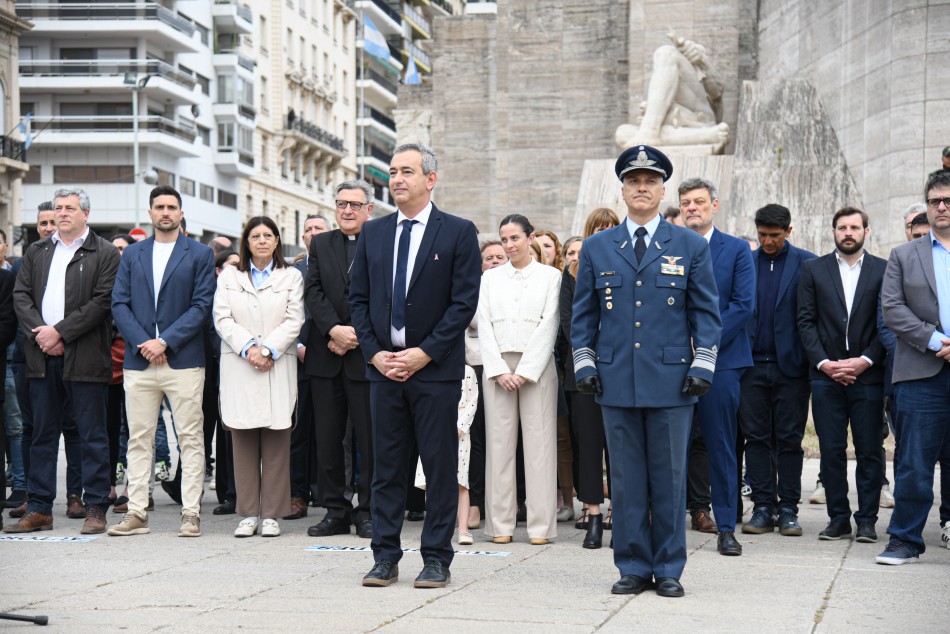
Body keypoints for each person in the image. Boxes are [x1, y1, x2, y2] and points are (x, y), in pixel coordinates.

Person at [571, 145, 721, 597]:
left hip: (673, 382)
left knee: (669, 479)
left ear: (662, 190)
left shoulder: (689, 245)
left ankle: (669, 567)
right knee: (626, 481)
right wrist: (585, 363)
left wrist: (703, 364)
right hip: (615, 380)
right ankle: (633, 565)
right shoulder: (598, 247)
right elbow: (583, 316)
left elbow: (706, 314)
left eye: (650, 181)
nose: (642, 187)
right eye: (634, 181)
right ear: (622, 190)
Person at [349, 143, 480, 589]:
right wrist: (374, 353)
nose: (397, 179)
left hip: (435, 372)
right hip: (384, 370)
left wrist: (425, 352)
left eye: (407, 171)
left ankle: (436, 558)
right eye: (392, 171)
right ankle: (384, 556)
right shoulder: (374, 232)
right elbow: (358, 300)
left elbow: (463, 303)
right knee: (386, 468)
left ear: (430, 178)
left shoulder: (457, 232)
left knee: (439, 468)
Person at [5, 187, 121, 535]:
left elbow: (102, 302)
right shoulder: (38, 250)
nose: (62, 213)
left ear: (86, 213)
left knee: (91, 435)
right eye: (58, 208)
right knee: (42, 434)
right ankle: (40, 508)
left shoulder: (104, 252)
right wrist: (42, 335)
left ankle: (95, 506)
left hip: (85, 357)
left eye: (70, 207)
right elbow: (21, 296)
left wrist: (60, 333)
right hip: (41, 356)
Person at [107, 186, 215, 538]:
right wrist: (144, 343)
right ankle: (136, 512)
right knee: (138, 439)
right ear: (150, 213)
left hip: (183, 361)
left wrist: (165, 341)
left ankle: (191, 513)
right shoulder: (132, 254)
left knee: (190, 438)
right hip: (140, 362)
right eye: (159, 207)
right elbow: (119, 304)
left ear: (181, 213)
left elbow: (202, 305)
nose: (165, 212)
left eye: (171, 207)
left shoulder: (199, 253)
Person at [797, 207, 886, 543]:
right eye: (842, 228)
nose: (848, 233)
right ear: (833, 231)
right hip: (826, 377)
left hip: (869, 376)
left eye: (854, 227)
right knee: (831, 450)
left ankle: (867, 521)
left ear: (866, 231)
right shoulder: (813, 269)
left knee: (869, 450)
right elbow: (805, 321)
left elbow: (888, 321)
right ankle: (838, 519)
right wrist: (825, 363)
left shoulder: (884, 269)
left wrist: (865, 360)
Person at [214, 217, 304, 538]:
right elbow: (222, 317)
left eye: (268, 235)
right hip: (241, 364)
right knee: (243, 441)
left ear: (277, 241)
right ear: (247, 242)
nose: (262, 240)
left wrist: (267, 350)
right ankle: (249, 513)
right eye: (256, 236)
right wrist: (249, 348)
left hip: (276, 364)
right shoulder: (230, 276)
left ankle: (272, 514)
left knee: (277, 440)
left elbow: (294, 319)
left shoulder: (291, 276)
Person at [877, 170, 950, 564]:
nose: (942, 207)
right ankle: (904, 539)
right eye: (935, 201)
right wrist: (936, 341)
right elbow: (893, 309)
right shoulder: (904, 256)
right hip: (921, 373)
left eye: (948, 200)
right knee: (914, 463)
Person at [680, 177, 755, 556]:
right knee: (669, 445)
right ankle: (665, 522)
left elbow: (743, 305)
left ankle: (726, 526)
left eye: (698, 201)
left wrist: (704, 341)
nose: (692, 208)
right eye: (686, 203)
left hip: (722, 363)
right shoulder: (669, 247)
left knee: (721, 445)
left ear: (714, 205)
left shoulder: (736, 249)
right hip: (672, 361)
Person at [479, 214, 561, 545]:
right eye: (504, 239)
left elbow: (550, 322)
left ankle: (541, 526)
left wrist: (526, 370)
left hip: (536, 367)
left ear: (530, 238)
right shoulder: (490, 278)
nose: (510, 245)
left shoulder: (551, 276)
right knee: (498, 446)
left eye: (515, 238)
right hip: (497, 366)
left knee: (540, 446)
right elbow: (484, 324)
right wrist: (499, 369)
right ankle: (500, 524)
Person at [740, 204, 816, 537]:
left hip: (791, 369)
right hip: (751, 367)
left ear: (789, 231)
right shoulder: (746, 262)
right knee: (756, 439)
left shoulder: (808, 264)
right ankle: (761, 507)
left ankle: (788, 509)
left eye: (774, 235)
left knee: (789, 440)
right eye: (762, 235)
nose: (767, 241)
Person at [304, 182, 375, 539]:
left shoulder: (380, 241)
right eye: (341, 203)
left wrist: (354, 335)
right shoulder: (320, 243)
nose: (347, 210)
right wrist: (333, 329)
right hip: (326, 355)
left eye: (354, 204)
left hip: (366, 356)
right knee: (328, 439)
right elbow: (313, 290)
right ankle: (335, 510)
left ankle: (368, 511)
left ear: (368, 209)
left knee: (370, 439)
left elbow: (385, 293)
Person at [8, 203, 85, 521]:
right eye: (43, 223)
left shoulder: (77, 256)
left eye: (54, 221)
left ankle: (75, 496)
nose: (49, 227)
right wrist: (42, 336)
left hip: (70, 352)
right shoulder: (27, 260)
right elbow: (19, 304)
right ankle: (32, 495)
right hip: (29, 355)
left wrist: (59, 336)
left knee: (73, 427)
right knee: (33, 428)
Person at [561, 207, 620, 549]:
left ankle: (619, 512)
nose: (603, 234)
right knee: (587, 444)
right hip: (583, 368)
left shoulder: (624, 265)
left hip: (619, 366)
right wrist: (591, 354)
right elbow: (570, 321)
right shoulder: (572, 272)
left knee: (618, 446)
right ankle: (593, 513)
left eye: (610, 228)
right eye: (598, 229)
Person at [285, 213, 332, 521]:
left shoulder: (341, 263)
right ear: (302, 237)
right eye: (308, 229)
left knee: (331, 430)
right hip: (299, 357)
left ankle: (329, 494)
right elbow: (287, 312)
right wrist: (299, 345)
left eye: (319, 228)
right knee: (299, 430)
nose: (313, 233)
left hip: (333, 353)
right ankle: (297, 494)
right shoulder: (292, 272)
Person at [462, 240, 508, 532]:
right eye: (488, 258)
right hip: (477, 365)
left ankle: (508, 502)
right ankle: (475, 502)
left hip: (510, 368)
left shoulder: (515, 287)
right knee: (476, 438)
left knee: (505, 438)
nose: (494, 261)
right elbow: (475, 319)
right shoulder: (474, 288)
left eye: (499, 257)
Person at [415, 364, 478, 545]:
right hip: (433, 429)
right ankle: (433, 527)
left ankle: (463, 529)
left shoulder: (468, 371)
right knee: (431, 479)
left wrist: (460, 426)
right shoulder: (427, 369)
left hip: (459, 434)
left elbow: (473, 401)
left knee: (461, 482)